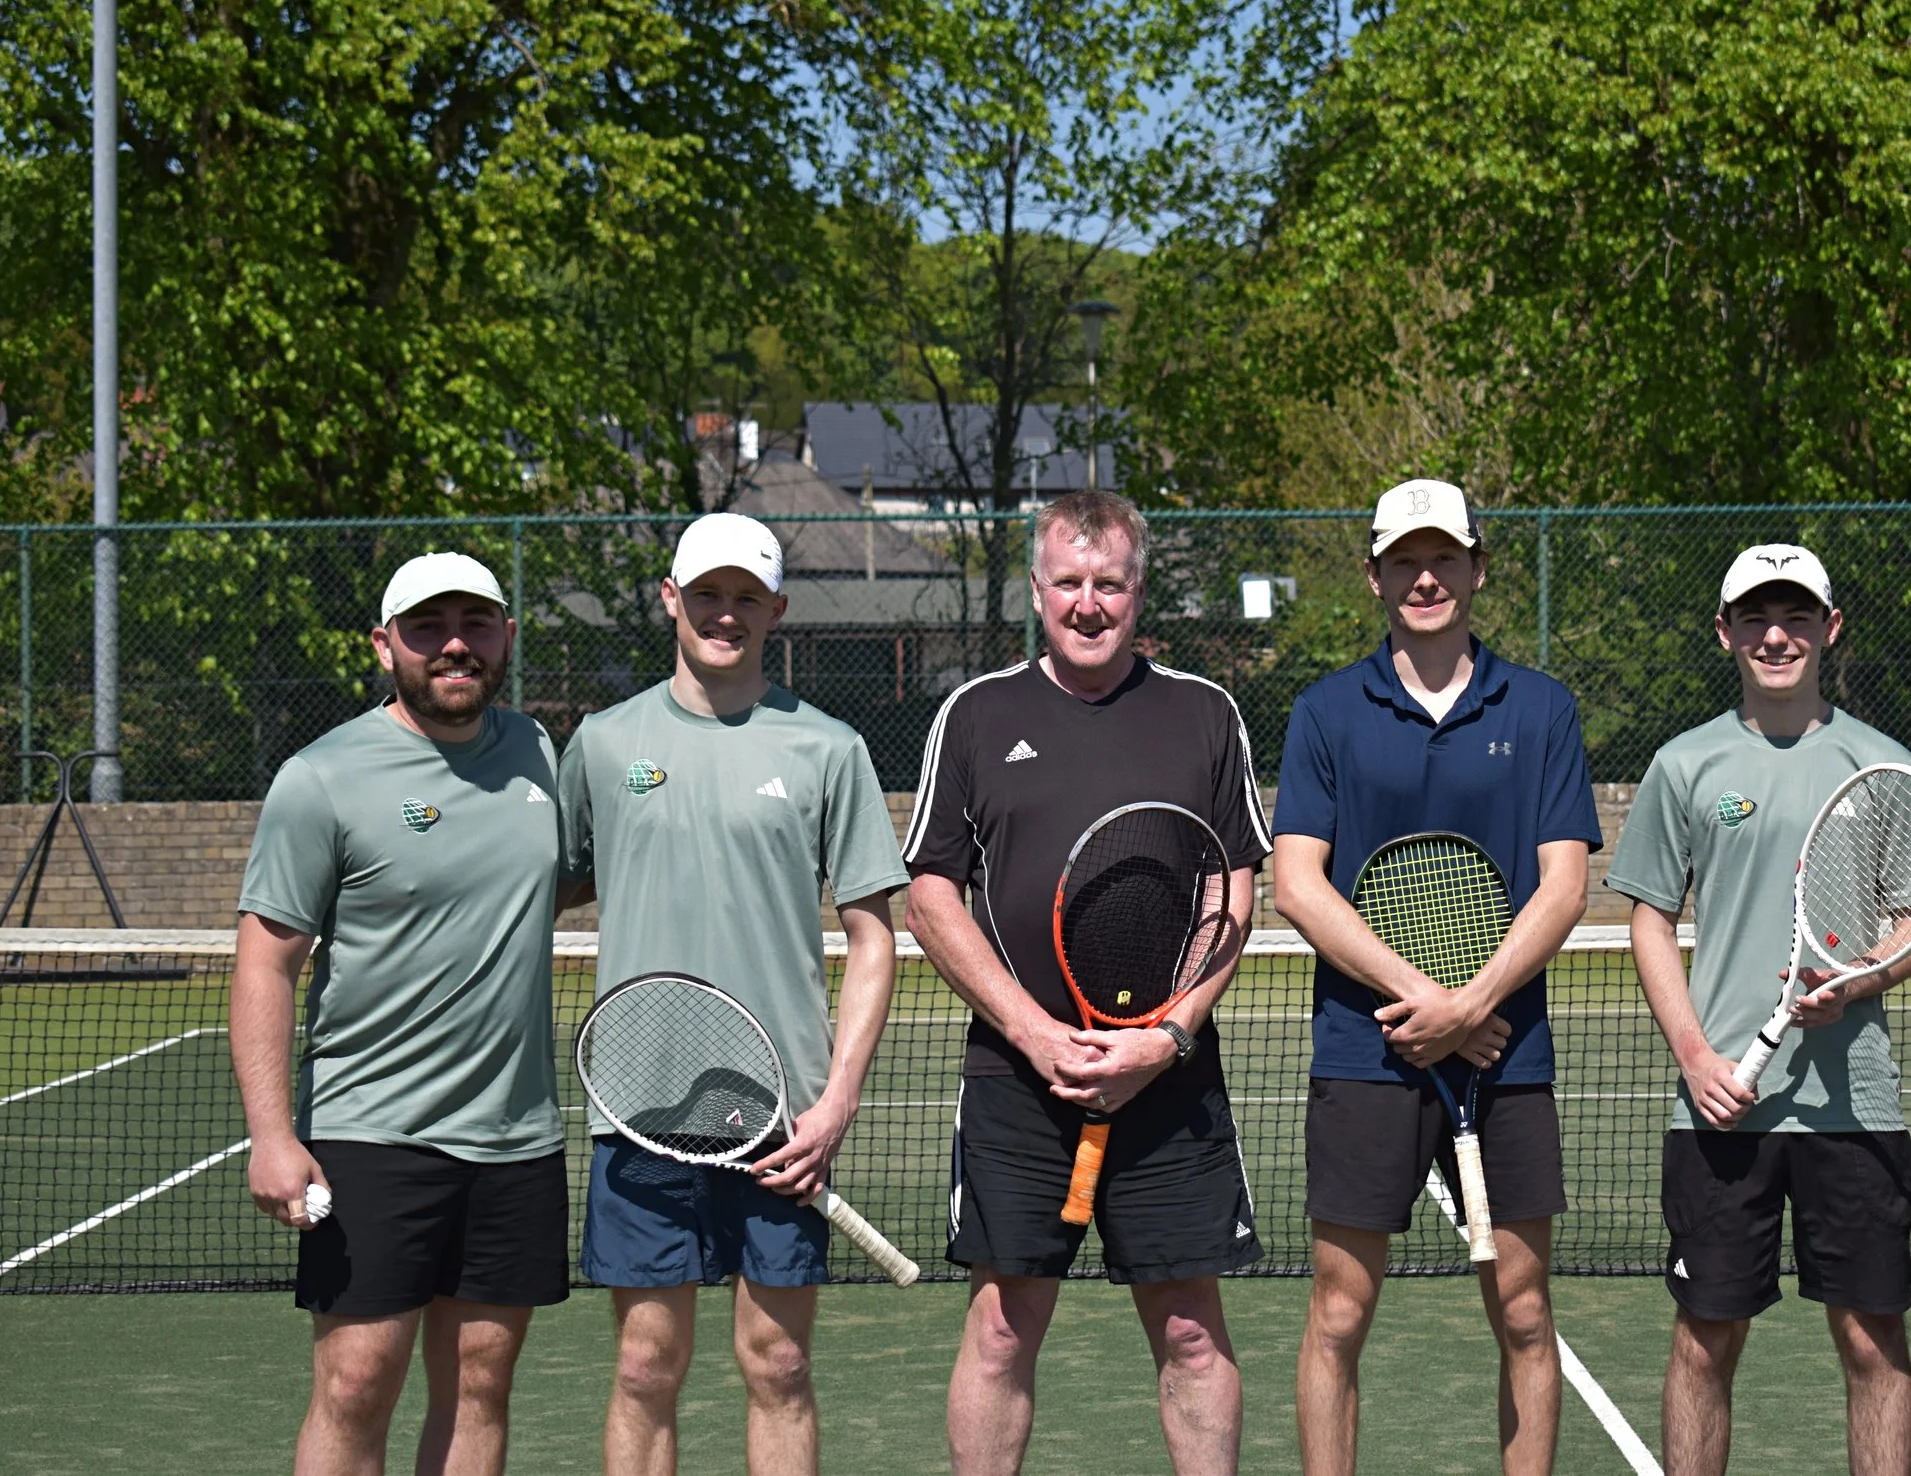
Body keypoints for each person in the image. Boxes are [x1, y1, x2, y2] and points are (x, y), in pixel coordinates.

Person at [902, 489, 1271, 1476]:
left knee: (1191, 1329)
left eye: (1109, 582)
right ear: (1037, 588)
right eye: (1068, 581)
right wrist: (1033, 1033)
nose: (1089, 602)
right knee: (1000, 1329)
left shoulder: (1203, 711)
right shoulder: (976, 714)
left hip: (1170, 1083)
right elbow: (931, 895)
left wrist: (1167, 1037)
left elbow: (1232, 890)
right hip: (1018, 1084)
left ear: (1137, 587)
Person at [558, 512, 907, 1476]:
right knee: (642, 1369)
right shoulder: (600, 742)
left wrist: (835, 1102)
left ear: (778, 611)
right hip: (636, 1109)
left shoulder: (829, 749)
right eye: (706, 593)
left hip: (782, 1122)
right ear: (670, 599)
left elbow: (876, 938)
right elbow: (546, 881)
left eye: (746, 596)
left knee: (781, 1364)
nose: (725, 613)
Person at [1272, 478, 1599, 1476]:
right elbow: (1295, 883)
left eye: (1445, 557)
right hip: (1364, 1055)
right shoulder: (1324, 711)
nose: (1426, 577)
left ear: (1478, 567)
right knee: (1337, 1311)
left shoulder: (1542, 708)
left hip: (1508, 1053)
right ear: (1373, 574)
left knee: (1525, 1309)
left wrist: (1468, 1004)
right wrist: (1426, 999)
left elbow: (1565, 883)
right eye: (1405, 560)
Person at [1603, 544, 1911, 1476]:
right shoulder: (1685, 764)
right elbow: (1649, 917)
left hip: (1854, 1105)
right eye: (1755, 617)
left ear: (1830, 628)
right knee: (1706, 1340)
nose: (1775, 635)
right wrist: (1696, 1056)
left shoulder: (1885, 766)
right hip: (1723, 1105)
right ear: (1725, 632)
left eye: (1795, 616)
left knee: (1872, 1343)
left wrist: (1861, 977)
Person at [231, 551, 567, 1476]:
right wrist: (271, 1133)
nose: (455, 643)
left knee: (480, 1385)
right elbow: (267, 958)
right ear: (385, 646)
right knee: (353, 1384)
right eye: (428, 626)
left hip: (515, 1141)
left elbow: (564, 876)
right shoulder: (321, 776)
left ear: (505, 636)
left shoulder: (540, 753)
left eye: (476, 622)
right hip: (370, 1134)